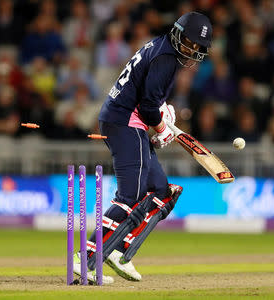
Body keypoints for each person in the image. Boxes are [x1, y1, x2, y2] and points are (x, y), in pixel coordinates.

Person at [72, 12, 212, 284]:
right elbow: (147, 106)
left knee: (160, 191)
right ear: (177, 33)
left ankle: (117, 249)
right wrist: (160, 128)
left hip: (125, 120)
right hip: (124, 122)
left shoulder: (159, 47)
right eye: (188, 41)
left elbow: (149, 95)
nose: (190, 49)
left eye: (196, 47)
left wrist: (162, 114)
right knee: (131, 195)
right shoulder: (166, 58)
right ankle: (86, 257)